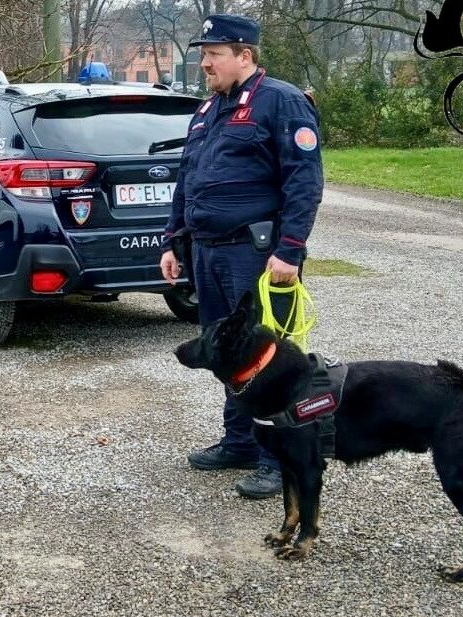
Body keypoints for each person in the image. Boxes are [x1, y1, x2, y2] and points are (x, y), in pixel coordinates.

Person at [160, 13, 324, 499]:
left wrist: (289, 250)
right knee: (228, 354)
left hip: (257, 255)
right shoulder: (209, 110)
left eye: (214, 55)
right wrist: (172, 239)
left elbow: (304, 183)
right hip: (209, 254)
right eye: (204, 55)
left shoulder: (283, 102)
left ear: (244, 56)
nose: (205, 63)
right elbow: (187, 181)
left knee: (269, 357)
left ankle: (279, 459)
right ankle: (240, 442)